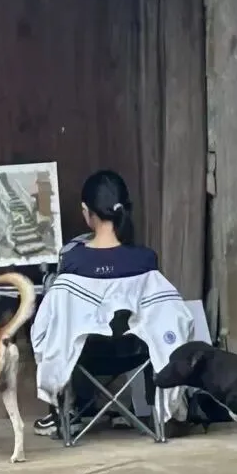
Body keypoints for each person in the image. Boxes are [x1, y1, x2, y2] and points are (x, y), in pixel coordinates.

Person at [34, 170, 159, 438]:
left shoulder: (73, 261)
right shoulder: (146, 259)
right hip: (137, 351)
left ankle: (66, 414)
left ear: (86, 212)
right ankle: (157, 416)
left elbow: (54, 322)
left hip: (84, 353)